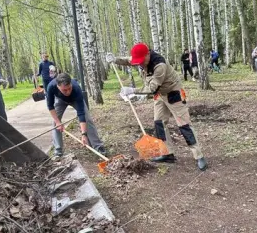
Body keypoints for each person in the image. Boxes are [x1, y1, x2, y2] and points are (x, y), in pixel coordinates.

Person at [107, 43, 207, 171]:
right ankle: (167, 153)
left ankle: (199, 156)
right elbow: (128, 60)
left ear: (148, 54)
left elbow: (152, 87)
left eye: (142, 61)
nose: (140, 64)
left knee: (184, 125)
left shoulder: (159, 65)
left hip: (173, 93)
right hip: (160, 95)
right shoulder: (141, 58)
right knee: (159, 123)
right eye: (138, 62)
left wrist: (132, 90)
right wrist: (115, 60)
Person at [47, 73, 106, 157]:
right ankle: (58, 151)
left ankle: (98, 146)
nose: (68, 92)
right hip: (60, 100)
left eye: (69, 88)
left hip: (74, 99)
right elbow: (50, 106)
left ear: (71, 84)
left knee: (87, 118)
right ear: (58, 87)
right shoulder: (51, 87)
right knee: (55, 124)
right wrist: (58, 122)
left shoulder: (76, 88)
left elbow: (81, 114)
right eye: (64, 90)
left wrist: (84, 134)